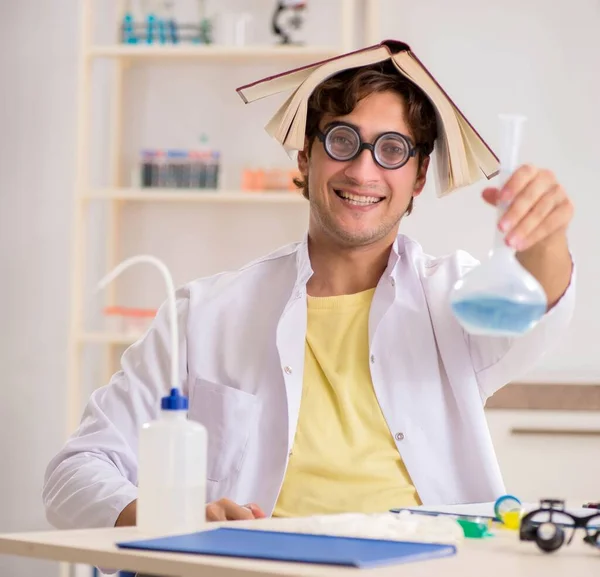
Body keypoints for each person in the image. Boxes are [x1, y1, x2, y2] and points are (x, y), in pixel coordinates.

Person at [43, 60, 575, 529]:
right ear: (305, 159)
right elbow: (75, 473)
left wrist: (544, 234)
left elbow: (541, 309)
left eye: (392, 150)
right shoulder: (202, 314)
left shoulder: (452, 300)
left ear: (418, 179)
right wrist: (171, 516)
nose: (363, 170)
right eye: (342, 140)